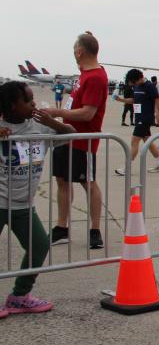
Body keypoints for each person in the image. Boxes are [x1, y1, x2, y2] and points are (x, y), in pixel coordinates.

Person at [0, 82, 75, 316]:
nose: (34, 104)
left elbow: (72, 133)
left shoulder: (39, 127)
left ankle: (19, 297)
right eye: (28, 100)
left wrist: (52, 123)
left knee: (39, 246)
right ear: (12, 105)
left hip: (23, 205)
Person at [48, 32, 108, 250]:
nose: (73, 53)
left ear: (80, 52)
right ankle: (61, 227)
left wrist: (55, 112)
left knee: (88, 182)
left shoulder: (95, 77)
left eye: (75, 50)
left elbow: (88, 113)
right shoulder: (84, 74)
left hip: (83, 141)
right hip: (66, 136)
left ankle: (95, 230)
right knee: (62, 181)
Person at [113, 69, 159, 176]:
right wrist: (121, 100)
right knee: (148, 141)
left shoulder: (150, 86)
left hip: (145, 118)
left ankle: (127, 167)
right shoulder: (136, 86)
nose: (133, 84)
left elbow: (157, 100)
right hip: (138, 118)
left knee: (134, 141)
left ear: (140, 78)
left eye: (134, 82)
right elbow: (134, 100)